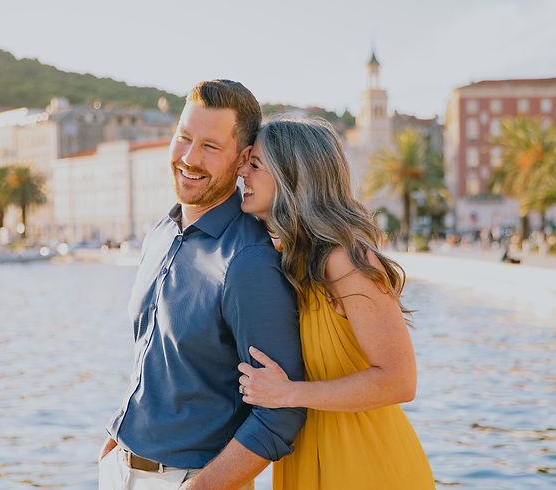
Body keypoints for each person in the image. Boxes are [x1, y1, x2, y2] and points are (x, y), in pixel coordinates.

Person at [98, 80, 306, 490]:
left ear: (243, 158)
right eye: (184, 138)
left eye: (210, 146)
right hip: (121, 471)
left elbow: (281, 413)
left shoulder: (248, 261)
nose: (190, 158)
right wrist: (115, 442)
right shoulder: (161, 232)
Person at [234, 118, 434, 489]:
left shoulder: (344, 259)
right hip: (309, 460)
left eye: (255, 164)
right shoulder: (288, 260)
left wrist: (286, 393)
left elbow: (399, 380)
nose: (241, 171)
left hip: (366, 465)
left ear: (294, 175)